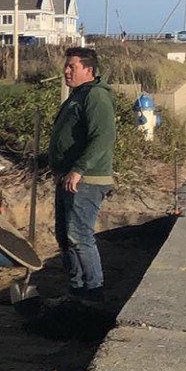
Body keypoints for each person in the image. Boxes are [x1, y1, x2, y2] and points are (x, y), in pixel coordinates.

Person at [48, 45, 116, 310]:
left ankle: (94, 293)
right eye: (66, 66)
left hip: (87, 180)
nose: (65, 71)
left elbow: (103, 137)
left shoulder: (96, 97)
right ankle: (76, 291)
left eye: (71, 67)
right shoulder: (77, 95)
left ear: (88, 70)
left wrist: (79, 169)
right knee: (65, 236)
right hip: (69, 177)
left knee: (79, 235)